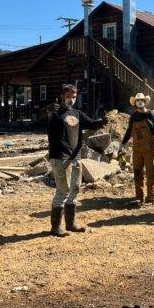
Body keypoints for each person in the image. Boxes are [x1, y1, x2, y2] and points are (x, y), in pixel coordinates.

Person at [46, 84, 107, 237]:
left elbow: (91, 123)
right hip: (60, 157)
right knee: (63, 190)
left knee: (74, 189)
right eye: (68, 95)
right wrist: (47, 111)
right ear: (62, 96)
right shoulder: (54, 112)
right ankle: (55, 227)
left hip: (75, 157)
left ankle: (70, 224)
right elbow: (43, 118)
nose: (71, 99)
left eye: (74, 96)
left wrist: (103, 121)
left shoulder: (77, 113)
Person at [120, 92, 154, 207]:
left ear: (145, 102)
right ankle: (139, 198)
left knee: (150, 173)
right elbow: (129, 131)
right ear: (135, 103)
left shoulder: (151, 115)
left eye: (142, 100)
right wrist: (122, 144)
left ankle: (151, 197)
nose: (140, 102)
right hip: (137, 149)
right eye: (137, 100)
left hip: (149, 148)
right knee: (137, 172)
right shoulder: (133, 116)